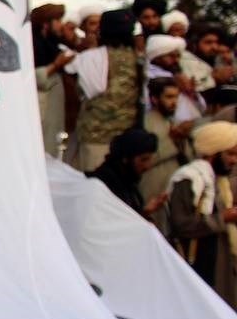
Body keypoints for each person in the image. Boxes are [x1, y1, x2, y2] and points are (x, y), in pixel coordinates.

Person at [167, 121, 237, 306]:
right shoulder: (190, 179)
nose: (234, 161)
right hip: (198, 265)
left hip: (218, 262)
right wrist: (223, 218)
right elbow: (180, 225)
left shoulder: (217, 180)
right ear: (213, 153)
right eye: (230, 154)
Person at [67, 9, 143, 172]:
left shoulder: (91, 58)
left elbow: (82, 91)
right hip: (127, 137)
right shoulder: (139, 60)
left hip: (96, 137)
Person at [86, 128, 165, 219]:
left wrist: (146, 212)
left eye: (149, 159)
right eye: (143, 160)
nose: (147, 166)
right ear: (126, 159)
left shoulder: (126, 180)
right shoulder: (105, 182)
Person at [30, 3, 75, 157]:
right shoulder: (33, 44)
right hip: (42, 108)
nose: (60, 25)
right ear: (45, 23)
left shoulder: (52, 43)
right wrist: (56, 64)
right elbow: (31, 77)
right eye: (57, 20)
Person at [141, 77, 191, 206]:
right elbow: (144, 160)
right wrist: (171, 140)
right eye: (169, 97)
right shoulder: (145, 124)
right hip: (153, 189)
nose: (174, 102)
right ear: (154, 99)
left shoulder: (173, 122)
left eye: (176, 97)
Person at [144, 34, 204, 122]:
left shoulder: (179, 76)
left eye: (178, 56)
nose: (176, 60)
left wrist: (191, 92)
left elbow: (202, 109)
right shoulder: (146, 76)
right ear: (156, 57)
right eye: (171, 56)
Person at [181, 24, 235, 104]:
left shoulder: (213, 61)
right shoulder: (186, 59)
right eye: (208, 42)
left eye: (216, 42)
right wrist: (215, 78)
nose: (214, 47)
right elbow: (195, 91)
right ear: (195, 43)